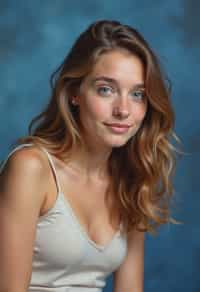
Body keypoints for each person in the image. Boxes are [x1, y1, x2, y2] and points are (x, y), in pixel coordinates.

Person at [0, 20, 181, 292]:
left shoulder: (132, 179)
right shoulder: (31, 168)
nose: (123, 110)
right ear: (75, 93)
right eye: (106, 89)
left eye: (137, 94)